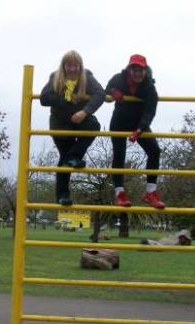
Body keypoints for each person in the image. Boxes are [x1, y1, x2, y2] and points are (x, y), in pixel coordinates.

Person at [40, 50, 105, 206]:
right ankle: (63, 195)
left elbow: (100, 94)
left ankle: (73, 156)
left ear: (80, 66)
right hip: (60, 123)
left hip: (79, 119)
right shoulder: (55, 77)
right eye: (69, 65)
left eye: (76, 66)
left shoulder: (87, 77)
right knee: (64, 157)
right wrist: (64, 99)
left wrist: (84, 111)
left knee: (94, 126)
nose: (73, 69)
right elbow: (44, 98)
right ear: (64, 66)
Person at [106, 54, 166, 209]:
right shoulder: (118, 79)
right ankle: (119, 193)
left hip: (138, 123)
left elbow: (150, 112)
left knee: (154, 150)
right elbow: (106, 89)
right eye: (134, 69)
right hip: (119, 121)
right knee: (119, 154)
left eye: (141, 69)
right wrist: (113, 92)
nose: (137, 73)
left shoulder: (149, 87)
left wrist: (139, 130)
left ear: (145, 71)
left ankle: (150, 192)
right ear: (129, 69)